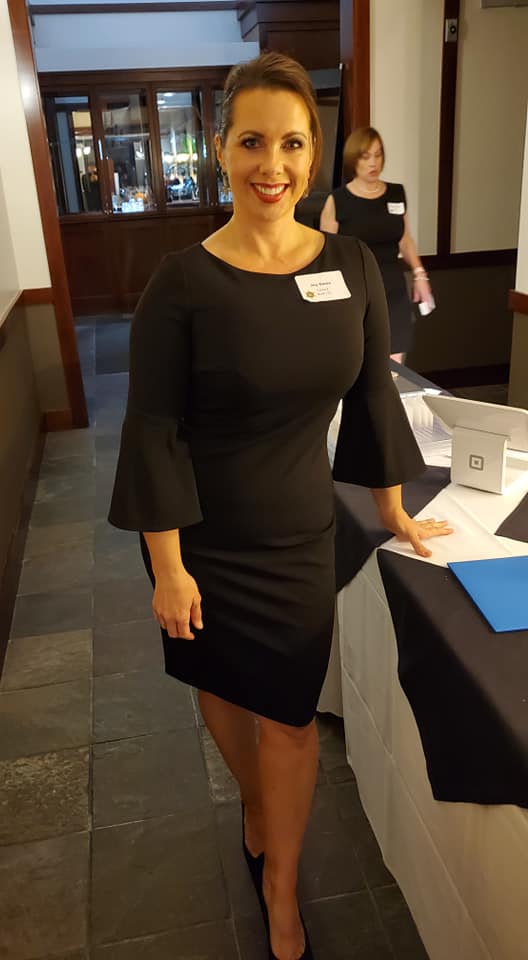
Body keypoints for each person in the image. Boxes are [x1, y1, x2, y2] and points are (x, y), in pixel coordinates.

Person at [109, 54, 451, 960]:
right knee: (223, 689)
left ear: (314, 154)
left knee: (293, 717)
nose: (274, 164)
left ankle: (281, 884)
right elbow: (152, 431)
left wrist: (393, 508)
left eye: (293, 144)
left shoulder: (350, 265)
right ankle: (257, 808)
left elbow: (372, 400)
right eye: (253, 141)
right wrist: (168, 567)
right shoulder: (182, 283)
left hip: (299, 532)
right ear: (221, 148)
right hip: (202, 536)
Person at [319, 127, 434, 363]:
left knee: (394, 365)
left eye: (378, 154)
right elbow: (326, 254)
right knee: (359, 362)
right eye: (366, 156)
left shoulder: (396, 193)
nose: (374, 162)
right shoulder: (338, 200)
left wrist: (420, 274)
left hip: (393, 288)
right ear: (353, 159)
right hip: (356, 290)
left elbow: (405, 239)